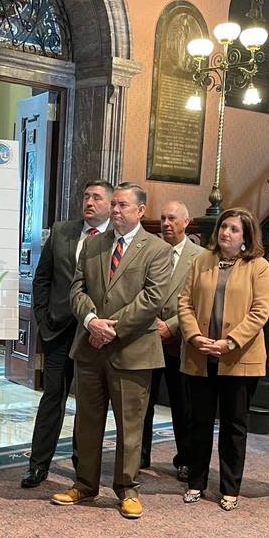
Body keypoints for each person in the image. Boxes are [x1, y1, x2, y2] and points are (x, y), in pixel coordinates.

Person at [50, 183, 171, 520]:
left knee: (129, 425)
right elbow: (77, 288)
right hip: (90, 348)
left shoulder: (157, 250)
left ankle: (127, 489)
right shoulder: (93, 244)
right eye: (113, 205)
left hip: (131, 350)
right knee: (87, 422)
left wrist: (111, 329)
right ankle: (84, 484)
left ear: (141, 211)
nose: (116, 211)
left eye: (123, 206)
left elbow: (152, 299)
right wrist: (91, 321)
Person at [177, 207, 269, 510]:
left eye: (234, 229)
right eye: (224, 227)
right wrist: (194, 336)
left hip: (239, 358)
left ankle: (230, 487)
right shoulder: (201, 260)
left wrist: (230, 341)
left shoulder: (258, 266)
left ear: (245, 237)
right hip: (200, 354)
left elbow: (260, 311)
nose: (225, 233)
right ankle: (196, 482)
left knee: (234, 425)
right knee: (199, 422)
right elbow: (185, 302)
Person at [21, 181, 113, 489]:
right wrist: (42, 319)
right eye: (86, 196)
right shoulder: (62, 232)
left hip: (95, 333)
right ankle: (38, 464)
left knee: (88, 401)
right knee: (53, 396)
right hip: (59, 328)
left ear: (111, 204)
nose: (89, 201)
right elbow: (42, 278)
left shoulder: (116, 238)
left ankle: (82, 465)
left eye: (96, 197)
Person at [141, 200, 204, 479]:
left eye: (173, 219)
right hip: (147, 338)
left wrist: (171, 325)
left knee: (183, 406)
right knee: (143, 402)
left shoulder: (201, 257)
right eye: (164, 219)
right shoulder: (148, 252)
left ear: (186, 223)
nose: (167, 224)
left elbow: (200, 301)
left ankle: (186, 459)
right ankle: (139, 456)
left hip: (180, 342)